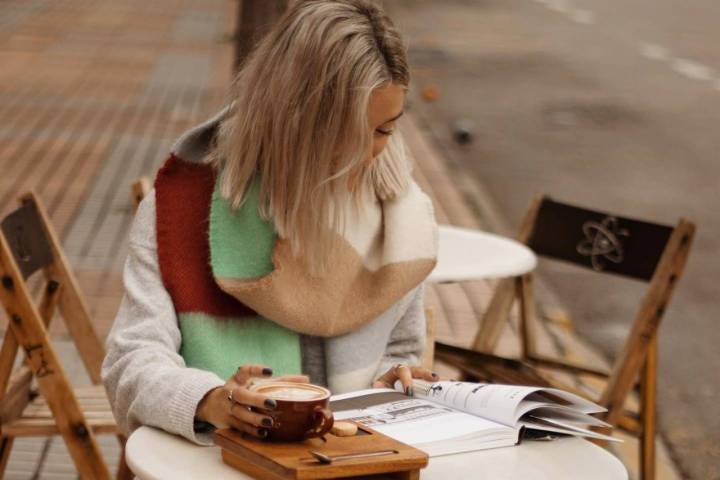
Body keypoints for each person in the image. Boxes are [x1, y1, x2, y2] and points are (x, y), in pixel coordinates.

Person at [101, 0, 439, 446]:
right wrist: (210, 400)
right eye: (349, 132)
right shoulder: (184, 207)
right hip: (218, 463)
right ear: (293, 115)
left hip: (354, 460)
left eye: (385, 130)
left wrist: (394, 381)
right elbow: (131, 359)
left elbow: (399, 351)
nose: (369, 155)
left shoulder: (397, 212)